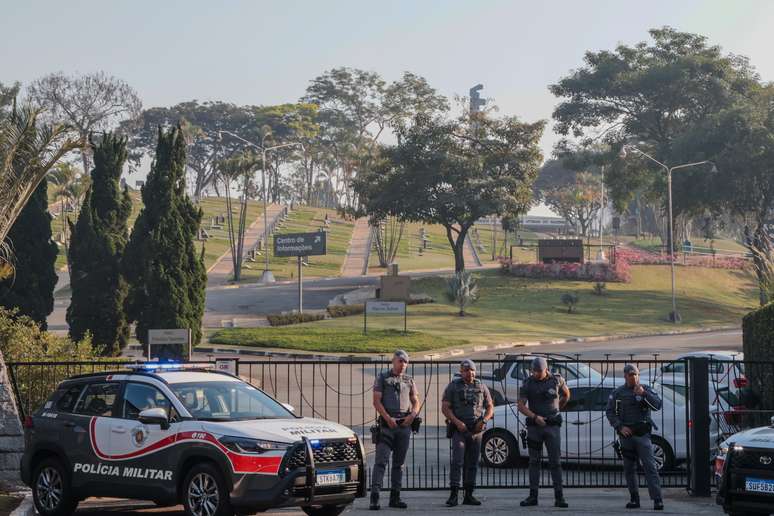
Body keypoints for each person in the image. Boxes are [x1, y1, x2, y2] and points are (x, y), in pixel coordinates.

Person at [605, 364, 664, 511]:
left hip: (642, 435)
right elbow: (610, 412)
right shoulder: (618, 393)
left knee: (650, 467)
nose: (634, 377)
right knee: (629, 469)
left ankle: (657, 499)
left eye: (636, 374)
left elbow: (657, 405)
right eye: (631, 375)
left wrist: (644, 394)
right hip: (626, 436)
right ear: (625, 376)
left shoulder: (645, 389)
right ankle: (634, 498)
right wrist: (619, 426)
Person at [370, 350, 421, 510]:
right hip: (387, 426)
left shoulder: (409, 379)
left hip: (404, 426)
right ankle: (375, 497)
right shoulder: (383, 377)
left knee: (399, 465)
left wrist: (412, 415)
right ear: (393, 361)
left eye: (405, 362)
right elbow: (376, 401)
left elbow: (416, 401)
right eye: (400, 361)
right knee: (381, 462)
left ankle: (395, 497)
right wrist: (387, 418)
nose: (403, 365)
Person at [517, 357, 570, 508]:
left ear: (546, 369)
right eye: (534, 371)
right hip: (535, 427)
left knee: (556, 462)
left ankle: (559, 497)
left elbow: (566, 394)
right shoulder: (528, 383)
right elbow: (520, 405)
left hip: (552, 426)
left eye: (539, 371)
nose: (536, 373)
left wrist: (558, 408)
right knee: (534, 462)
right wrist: (534, 417)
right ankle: (533, 497)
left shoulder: (556, 380)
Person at [441, 359, 494, 507]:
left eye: (471, 370)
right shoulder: (453, 386)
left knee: (472, 463)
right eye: (466, 370)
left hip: (476, 430)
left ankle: (469, 495)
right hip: (460, 429)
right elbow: (445, 408)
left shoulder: (482, 386)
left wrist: (483, 420)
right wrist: (457, 422)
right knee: (457, 461)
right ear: (461, 371)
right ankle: (454, 495)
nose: (469, 373)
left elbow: (490, 407)